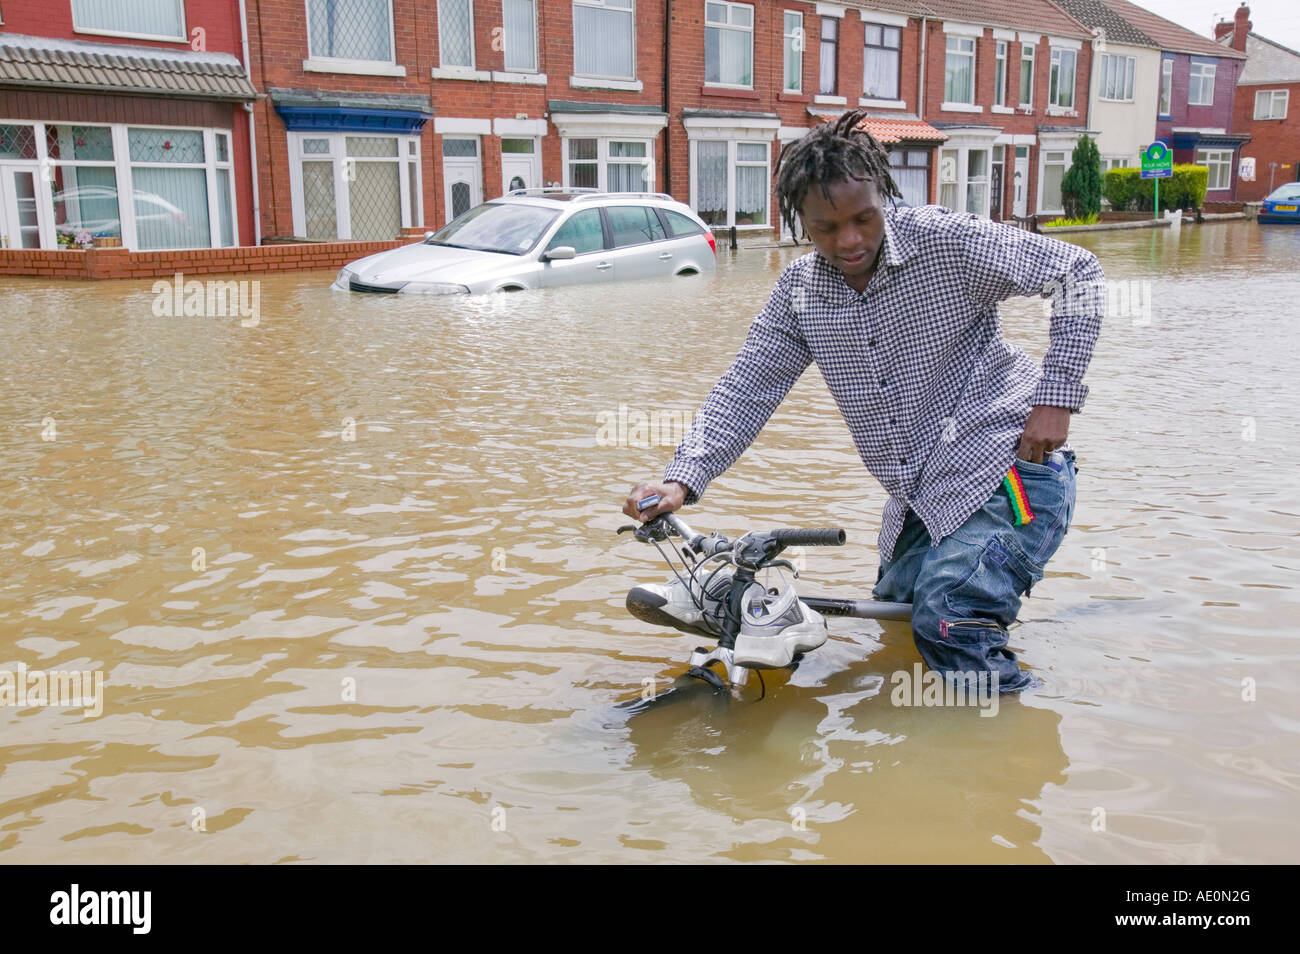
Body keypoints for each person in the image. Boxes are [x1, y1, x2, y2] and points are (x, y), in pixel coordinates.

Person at [622, 110, 1105, 693]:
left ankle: (1002, 736)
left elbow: (1079, 271)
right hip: (920, 499)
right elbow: (747, 387)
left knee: (949, 616)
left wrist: (1056, 398)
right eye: (827, 228)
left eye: (863, 219)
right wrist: (683, 478)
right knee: (894, 620)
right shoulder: (799, 293)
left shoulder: (945, 241)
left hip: (1013, 476)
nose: (849, 240)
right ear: (799, 221)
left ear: (885, 196)